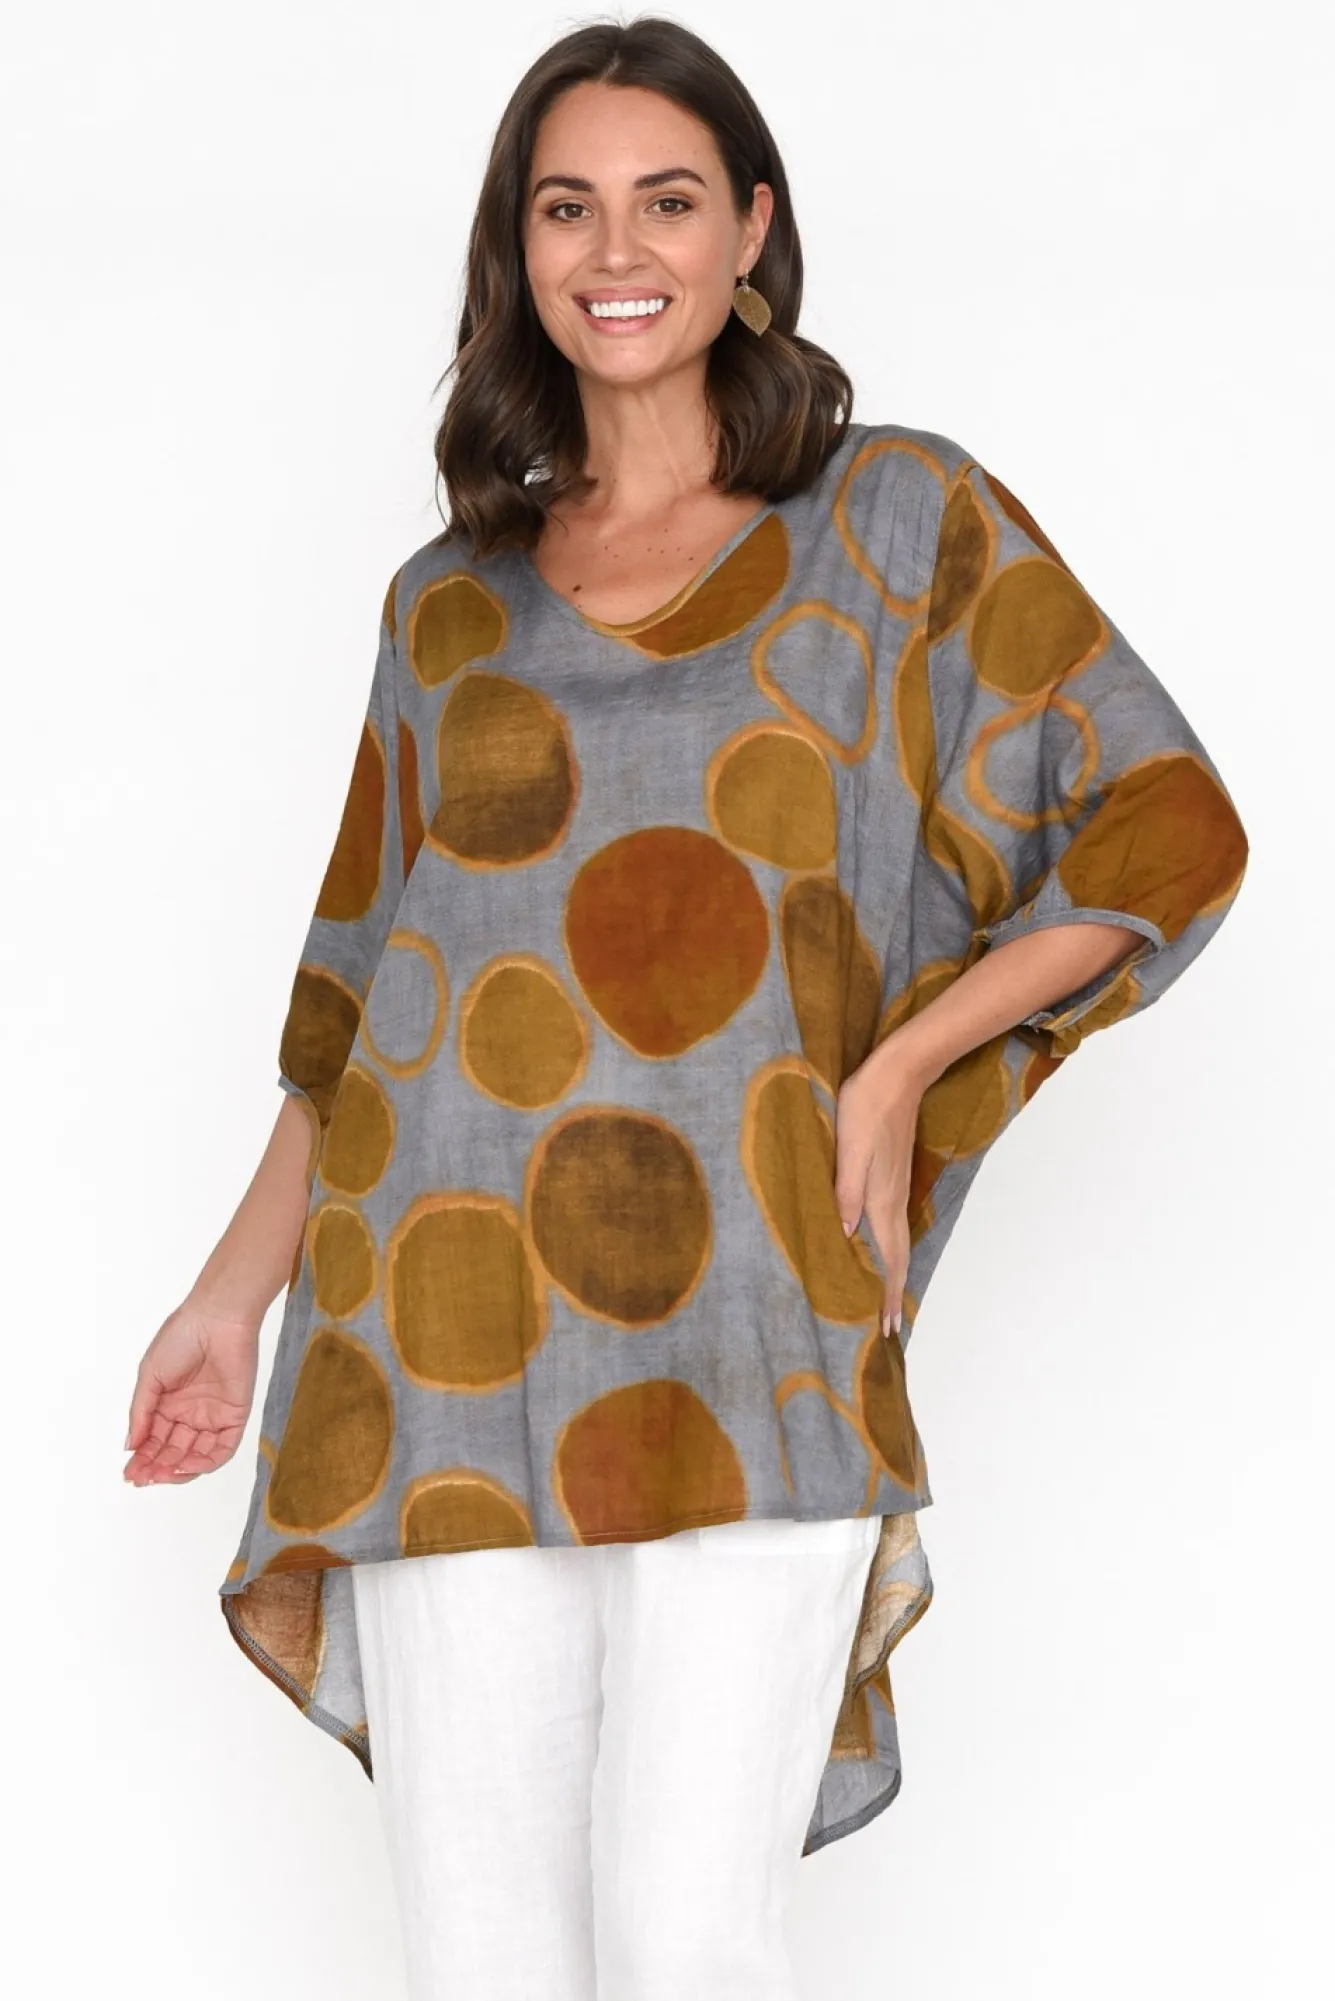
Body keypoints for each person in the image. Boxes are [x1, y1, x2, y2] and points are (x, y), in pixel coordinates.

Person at [121, 17, 1249, 2000]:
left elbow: (1163, 823)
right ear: (518, 248)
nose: (616, 249)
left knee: (688, 1940)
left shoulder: (893, 522)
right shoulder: (446, 604)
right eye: (566, 208)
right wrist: (230, 1295)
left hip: (757, 1319)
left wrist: (899, 1069)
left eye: (665, 200)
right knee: (482, 1957)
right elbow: (361, 989)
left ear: (750, 232)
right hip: (439, 1329)